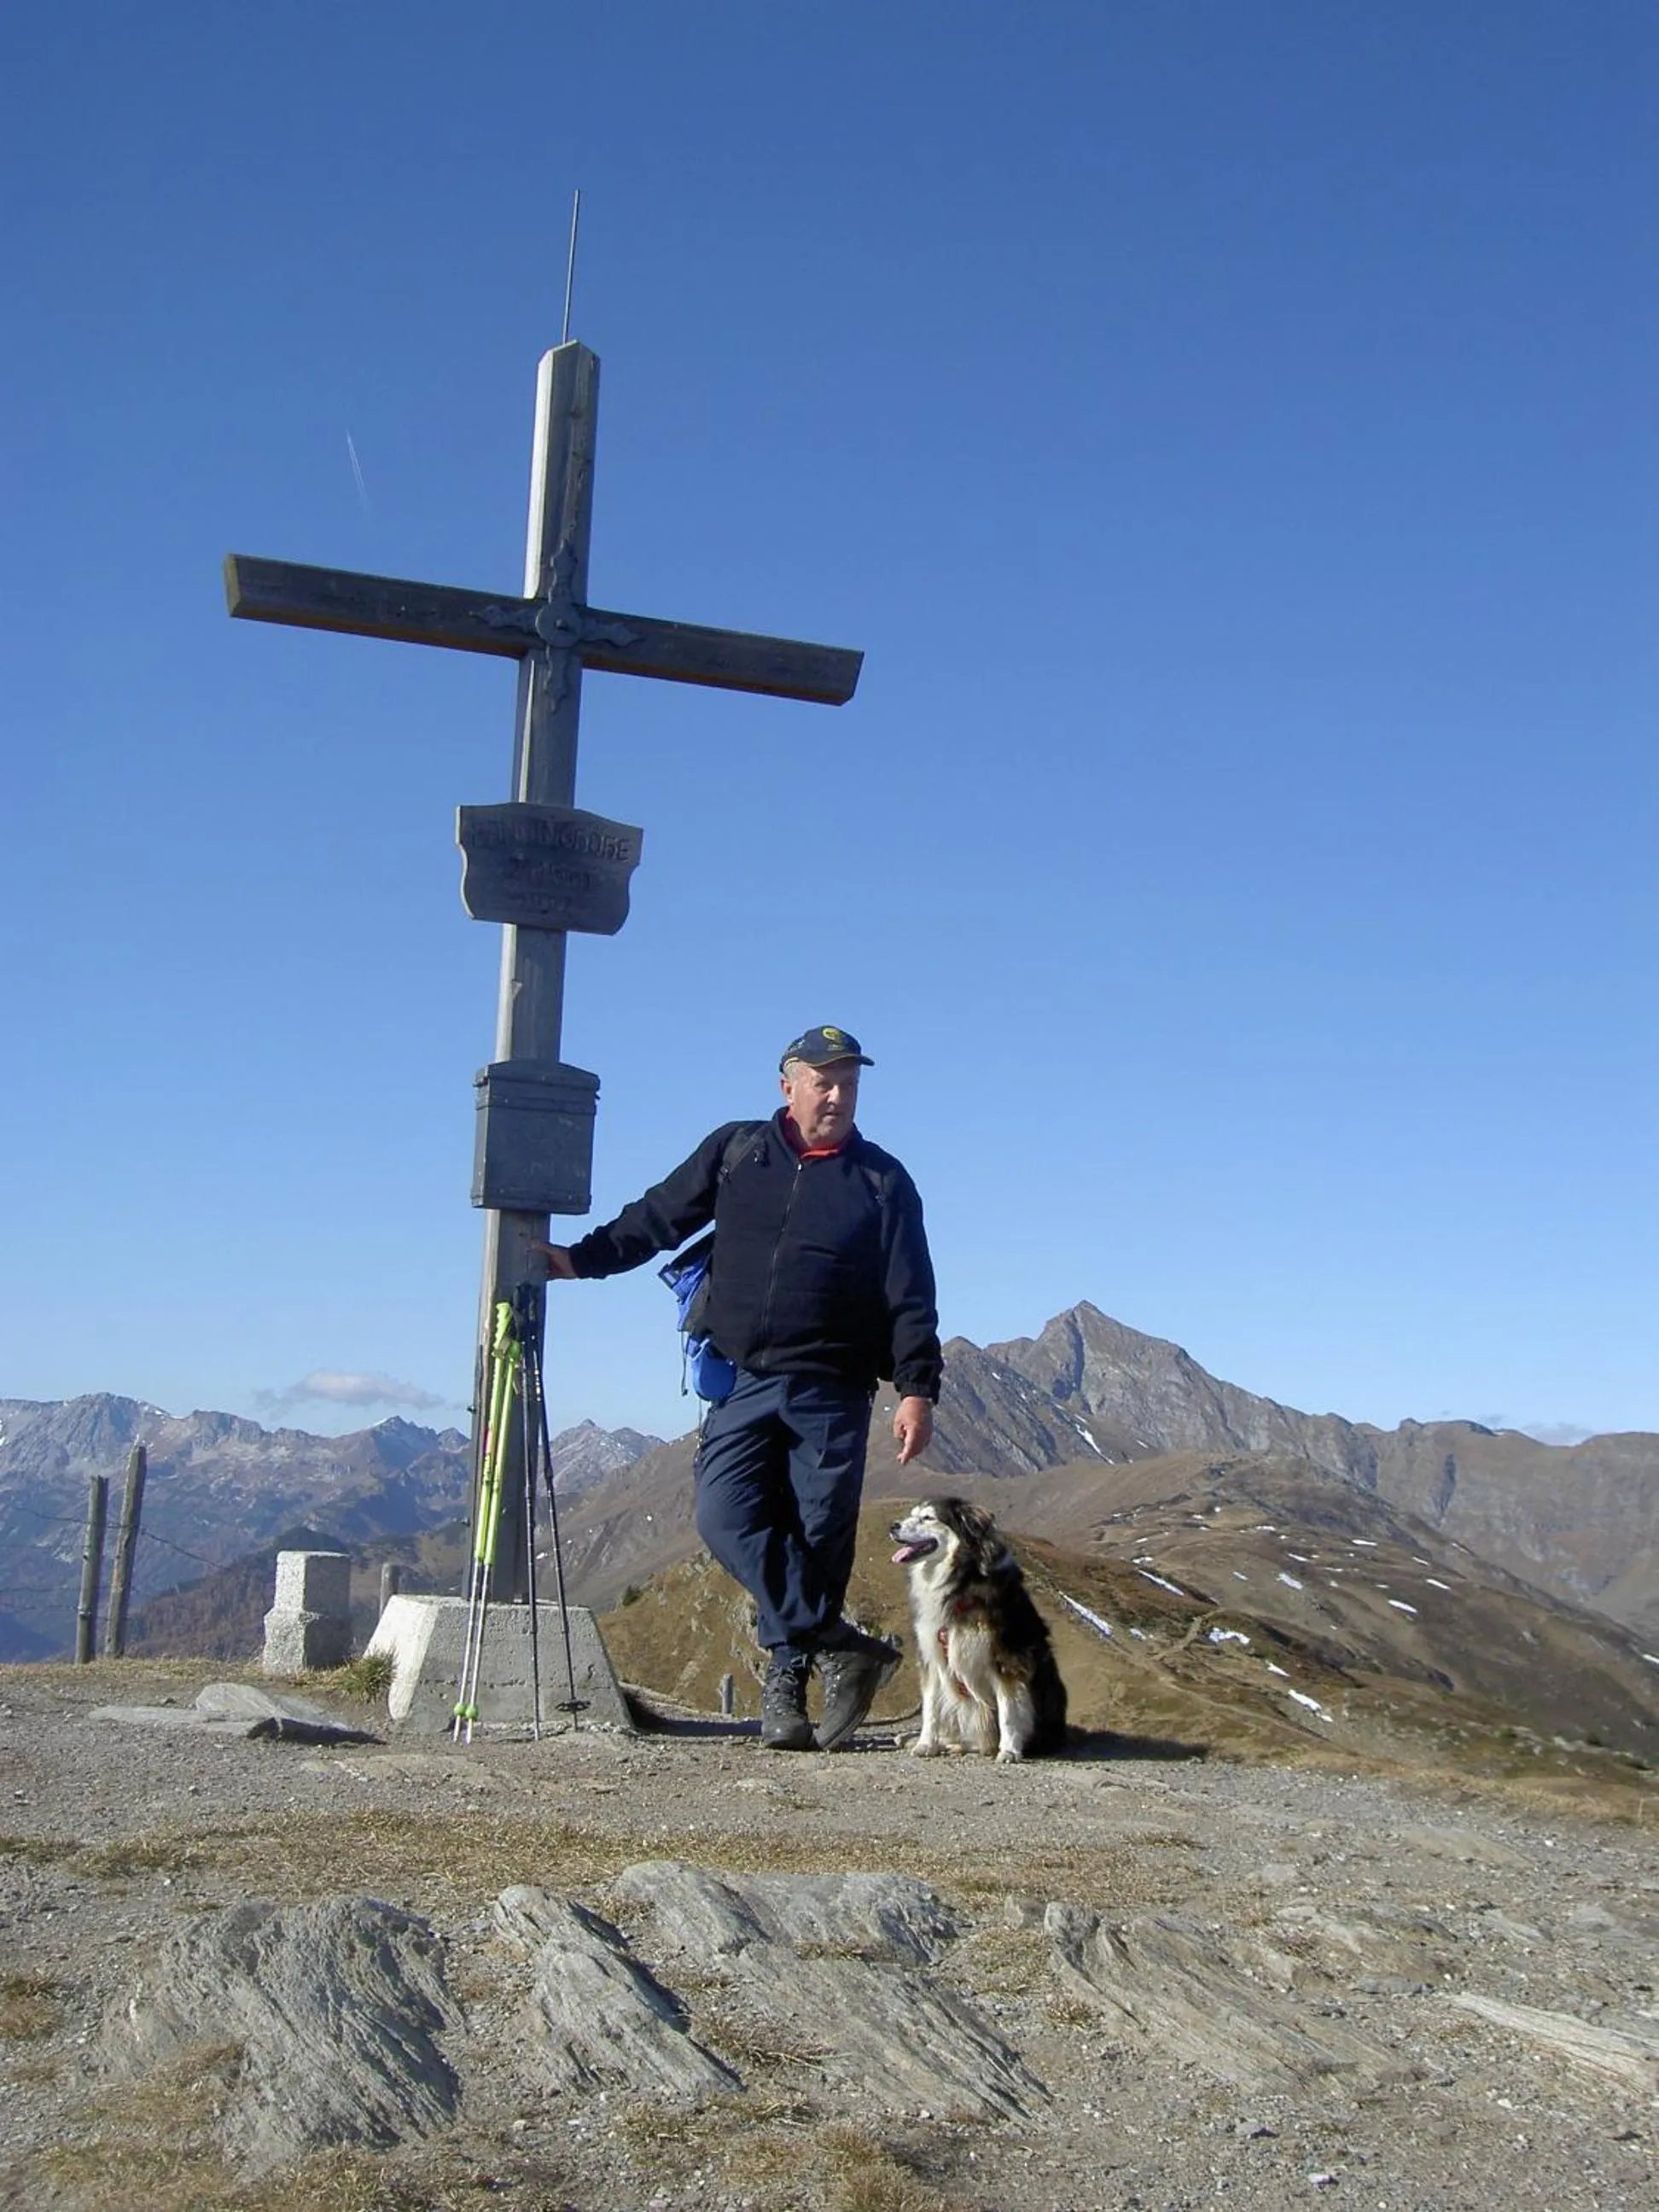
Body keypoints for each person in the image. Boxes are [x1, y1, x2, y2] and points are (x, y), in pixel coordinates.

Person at [534, 1026, 940, 1752]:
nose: (838, 1094)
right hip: (743, 1380)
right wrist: (580, 1261)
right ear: (788, 1085)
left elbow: (910, 1294)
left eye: (849, 1082)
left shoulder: (882, 1181)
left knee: (817, 1541)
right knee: (724, 1517)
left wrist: (917, 1389)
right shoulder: (738, 1153)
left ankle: (787, 1688)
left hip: (834, 1390)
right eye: (824, 1080)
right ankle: (841, 1645)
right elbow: (658, 1217)